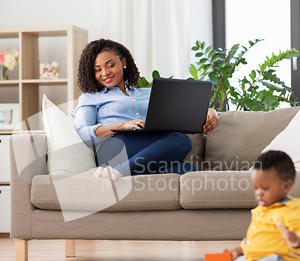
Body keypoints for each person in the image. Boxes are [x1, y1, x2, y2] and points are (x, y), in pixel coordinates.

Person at [74, 38, 218, 181]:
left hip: (146, 147)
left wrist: (210, 111)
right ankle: (122, 171)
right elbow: (81, 133)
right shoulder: (90, 97)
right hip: (114, 147)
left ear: (123, 63)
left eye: (110, 65)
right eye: (97, 70)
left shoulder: (147, 93)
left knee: (187, 170)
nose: (105, 73)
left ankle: (120, 173)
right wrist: (122, 125)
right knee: (182, 140)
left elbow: (183, 111)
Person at [216, 150, 300, 261]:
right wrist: (237, 251)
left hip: (278, 260)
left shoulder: (292, 211)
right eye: (256, 188)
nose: (259, 192)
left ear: (286, 186)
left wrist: (295, 239)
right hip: (253, 259)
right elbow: (254, 240)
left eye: (265, 188)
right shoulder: (260, 210)